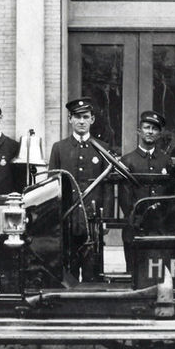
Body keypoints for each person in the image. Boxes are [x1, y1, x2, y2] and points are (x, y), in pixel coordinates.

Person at [49, 98, 113, 280]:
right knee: (68, 272)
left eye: (86, 117)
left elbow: (107, 187)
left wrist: (105, 219)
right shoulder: (59, 148)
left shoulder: (102, 148)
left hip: (93, 220)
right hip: (67, 219)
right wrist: (55, 217)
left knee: (93, 273)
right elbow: (52, 184)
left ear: (92, 119)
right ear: (70, 119)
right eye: (77, 117)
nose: (82, 121)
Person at [119, 110, 175, 271]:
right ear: (139, 131)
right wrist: (137, 218)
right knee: (134, 273)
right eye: (146, 127)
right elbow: (125, 198)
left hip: (159, 228)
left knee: (159, 273)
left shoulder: (165, 160)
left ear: (159, 134)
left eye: (154, 129)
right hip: (135, 227)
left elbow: (171, 193)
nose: (150, 132)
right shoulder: (127, 160)